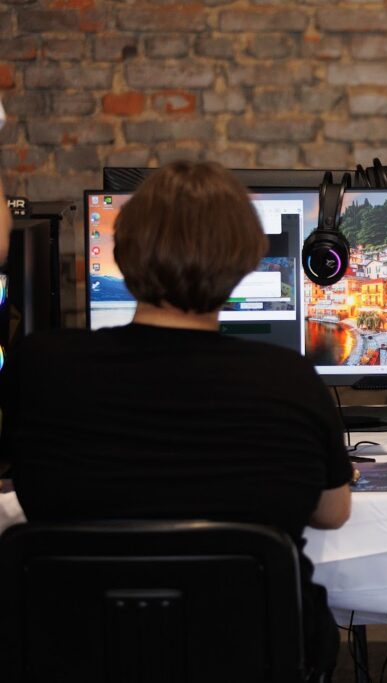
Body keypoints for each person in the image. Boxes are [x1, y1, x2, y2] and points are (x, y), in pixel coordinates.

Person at [0, 161, 353, 682]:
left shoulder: (39, 366)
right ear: (245, 261)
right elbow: (333, 512)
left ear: (123, 253)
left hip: (74, 657)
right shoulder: (291, 379)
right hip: (250, 659)